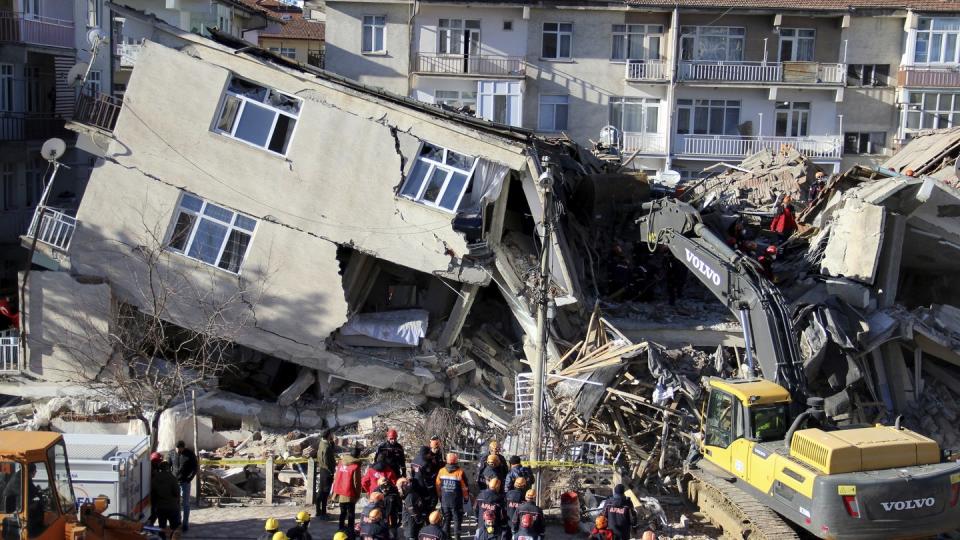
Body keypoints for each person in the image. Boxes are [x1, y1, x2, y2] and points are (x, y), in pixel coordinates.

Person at [435, 452, 468, 540]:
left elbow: (438, 485)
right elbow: (464, 487)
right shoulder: (460, 472)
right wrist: (466, 498)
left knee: (446, 520)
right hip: (456, 502)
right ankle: (457, 537)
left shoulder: (441, 471)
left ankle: (446, 537)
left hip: (445, 501)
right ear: (456, 461)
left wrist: (440, 497)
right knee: (457, 521)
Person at [167, 440, 198, 532]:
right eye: (177, 449)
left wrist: (189, 479)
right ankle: (177, 522)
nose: (178, 451)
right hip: (174, 482)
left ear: (183, 447)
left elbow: (194, 468)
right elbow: (168, 466)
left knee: (185, 504)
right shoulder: (171, 453)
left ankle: (185, 524)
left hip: (185, 482)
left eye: (180, 449)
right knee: (175, 504)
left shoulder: (190, 454)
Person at [332, 445, 364, 534]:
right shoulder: (355, 466)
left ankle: (340, 528)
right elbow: (356, 482)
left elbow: (337, 476)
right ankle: (350, 531)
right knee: (351, 513)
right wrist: (358, 494)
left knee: (342, 512)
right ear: (357, 455)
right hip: (349, 493)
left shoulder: (341, 463)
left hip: (340, 492)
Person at [151, 461, 181, 540]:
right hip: (172, 506)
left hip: (160, 507)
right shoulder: (172, 478)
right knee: (174, 527)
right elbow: (177, 493)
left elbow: (153, 494)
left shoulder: (155, 479)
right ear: (168, 468)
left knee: (162, 527)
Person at [411, 438, 443, 511]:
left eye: (438, 448)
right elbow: (427, 474)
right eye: (435, 448)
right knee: (431, 500)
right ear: (431, 448)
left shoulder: (438, 455)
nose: (437, 449)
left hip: (428, 481)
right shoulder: (426, 459)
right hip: (427, 483)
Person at [317, 430, 337, 519]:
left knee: (321, 491)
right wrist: (330, 471)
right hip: (326, 471)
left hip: (323, 470)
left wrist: (332, 442)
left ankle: (318, 511)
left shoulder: (322, 443)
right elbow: (325, 460)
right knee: (325, 492)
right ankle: (323, 513)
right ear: (328, 435)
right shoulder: (326, 446)